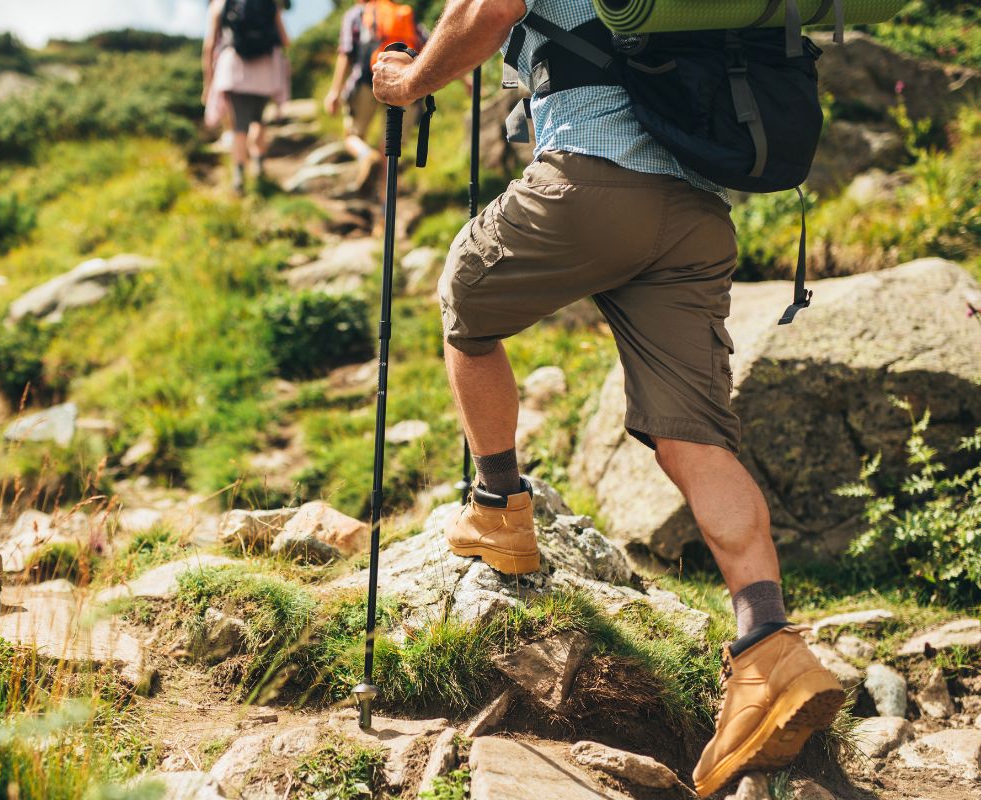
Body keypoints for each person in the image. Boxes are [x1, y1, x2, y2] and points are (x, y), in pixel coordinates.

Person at [370, 1, 846, 797]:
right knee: (694, 434)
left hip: (592, 179)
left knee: (466, 303)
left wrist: (411, 81)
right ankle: (768, 646)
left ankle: (499, 510)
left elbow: (488, 8)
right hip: (694, 216)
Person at [323, 0, 429, 194]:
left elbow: (346, 52)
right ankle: (384, 210)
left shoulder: (357, 13)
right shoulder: (404, 13)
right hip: (401, 80)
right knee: (390, 151)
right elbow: (430, 46)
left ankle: (365, 156)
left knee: (352, 136)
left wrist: (335, 92)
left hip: (366, 79)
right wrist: (465, 80)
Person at [203, 0, 291, 193]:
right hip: (265, 70)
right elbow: (285, 40)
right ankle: (259, 166)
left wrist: (207, 84)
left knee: (239, 126)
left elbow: (209, 44)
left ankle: (239, 177)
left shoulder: (220, 4)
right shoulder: (269, 3)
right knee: (258, 120)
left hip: (235, 68)